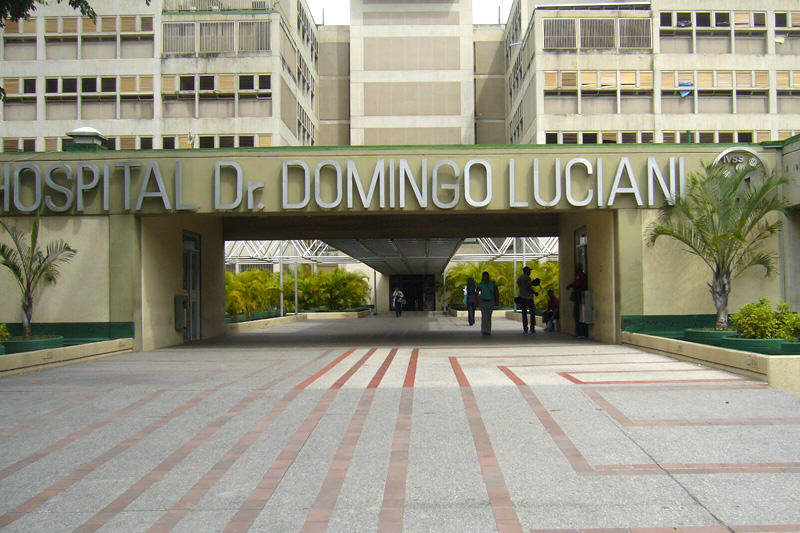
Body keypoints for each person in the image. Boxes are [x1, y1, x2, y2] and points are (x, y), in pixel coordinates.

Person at [566, 264, 588, 337]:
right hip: (582, 296)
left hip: (579, 296)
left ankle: (580, 333)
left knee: (577, 314)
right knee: (580, 314)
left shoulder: (580, 276)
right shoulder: (582, 276)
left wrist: (570, 286)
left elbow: (576, 284)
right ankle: (581, 332)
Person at [515, 266, 538, 334]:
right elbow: (528, 287)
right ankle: (532, 328)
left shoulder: (520, 278)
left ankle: (525, 329)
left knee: (524, 314)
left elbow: (520, 285)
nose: (530, 272)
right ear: (526, 271)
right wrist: (535, 292)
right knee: (532, 313)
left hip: (522, 297)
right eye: (529, 271)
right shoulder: (527, 278)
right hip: (529, 298)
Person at [475, 271, 499, 336]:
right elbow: (476, 293)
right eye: (484, 276)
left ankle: (488, 331)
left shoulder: (493, 283)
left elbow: (496, 292)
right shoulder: (481, 284)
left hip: (491, 301)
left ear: (488, 276)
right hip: (483, 301)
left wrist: (497, 301)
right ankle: (483, 330)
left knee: (489, 316)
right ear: (482, 277)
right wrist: (476, 302)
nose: (485, 277)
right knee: (484, 316)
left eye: (486, 275)